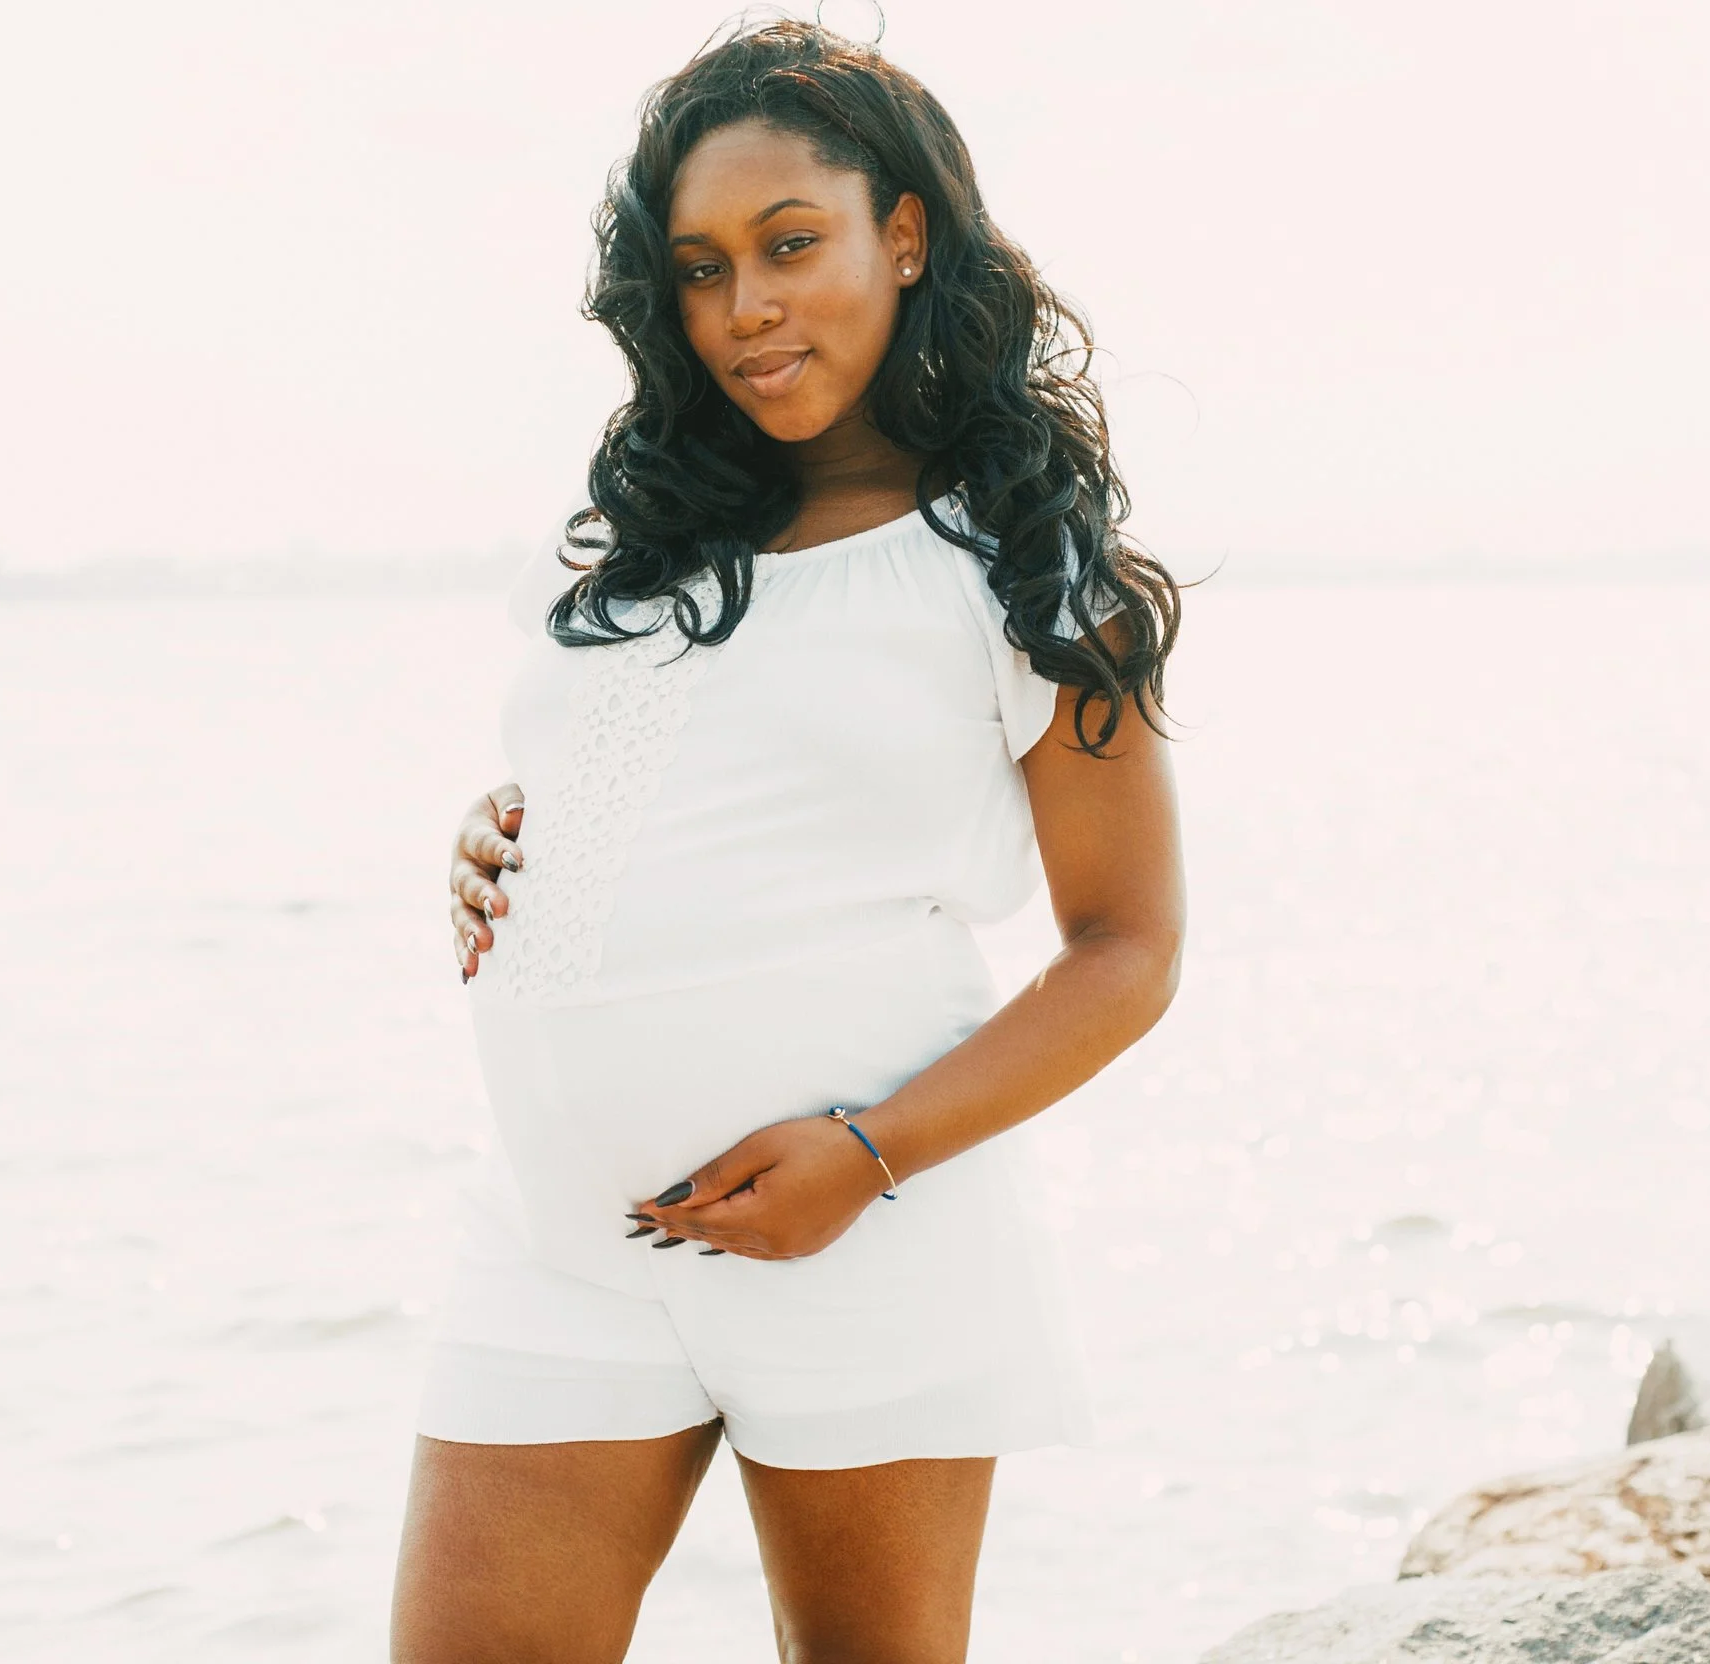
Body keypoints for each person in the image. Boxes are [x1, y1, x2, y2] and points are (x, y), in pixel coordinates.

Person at [392, 21, 1185, 1663]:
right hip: (559, 1243)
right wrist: (498, 835)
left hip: (863, 1237)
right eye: (698, 269)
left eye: (790, 245)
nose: (744, 307)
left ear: (906, 233)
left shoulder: (1020, 570)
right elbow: (628, 784)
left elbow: (1130, 950)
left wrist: (869, 1155)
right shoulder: (657, 546)